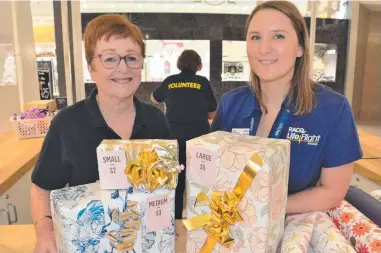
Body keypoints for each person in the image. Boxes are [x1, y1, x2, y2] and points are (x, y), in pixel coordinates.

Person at [31, 14, 171, 253]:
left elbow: (167, 188)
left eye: (131, 58)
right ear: (91, 67)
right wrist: (45, 233)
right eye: (109, 58)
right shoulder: (67, 124)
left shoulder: (156, 120)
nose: (123, 68)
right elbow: (42, 187)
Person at [211, 1, 362, 214]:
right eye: (255, 37)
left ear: (300, 47)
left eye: (278, 36)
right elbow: (212, 175)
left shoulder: (333, 109)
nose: (264, 49)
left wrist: (263, 210)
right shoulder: (230, 104)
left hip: (291, 232)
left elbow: (332, 192)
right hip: (231, 229)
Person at [151, 49, 217, 219]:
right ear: (198, 65)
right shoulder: (203, 82)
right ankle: (199, 221)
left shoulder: (171, 81)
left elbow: (154, 99)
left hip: (175, 138)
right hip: (199, 139)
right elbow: (212, 113)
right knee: (200, 182)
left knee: (177, 183)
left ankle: (177, 221)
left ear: (179, 63)